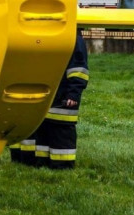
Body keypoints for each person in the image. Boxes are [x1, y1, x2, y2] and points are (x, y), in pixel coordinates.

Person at [9, 29, 89, 169]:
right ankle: (41, 163)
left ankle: (62, 167)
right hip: (47, 97)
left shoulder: (74, 41)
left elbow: (79, 71)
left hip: (63, 97)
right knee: (42, 129)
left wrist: (73, 94)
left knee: (60, 133)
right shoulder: (49, 38)